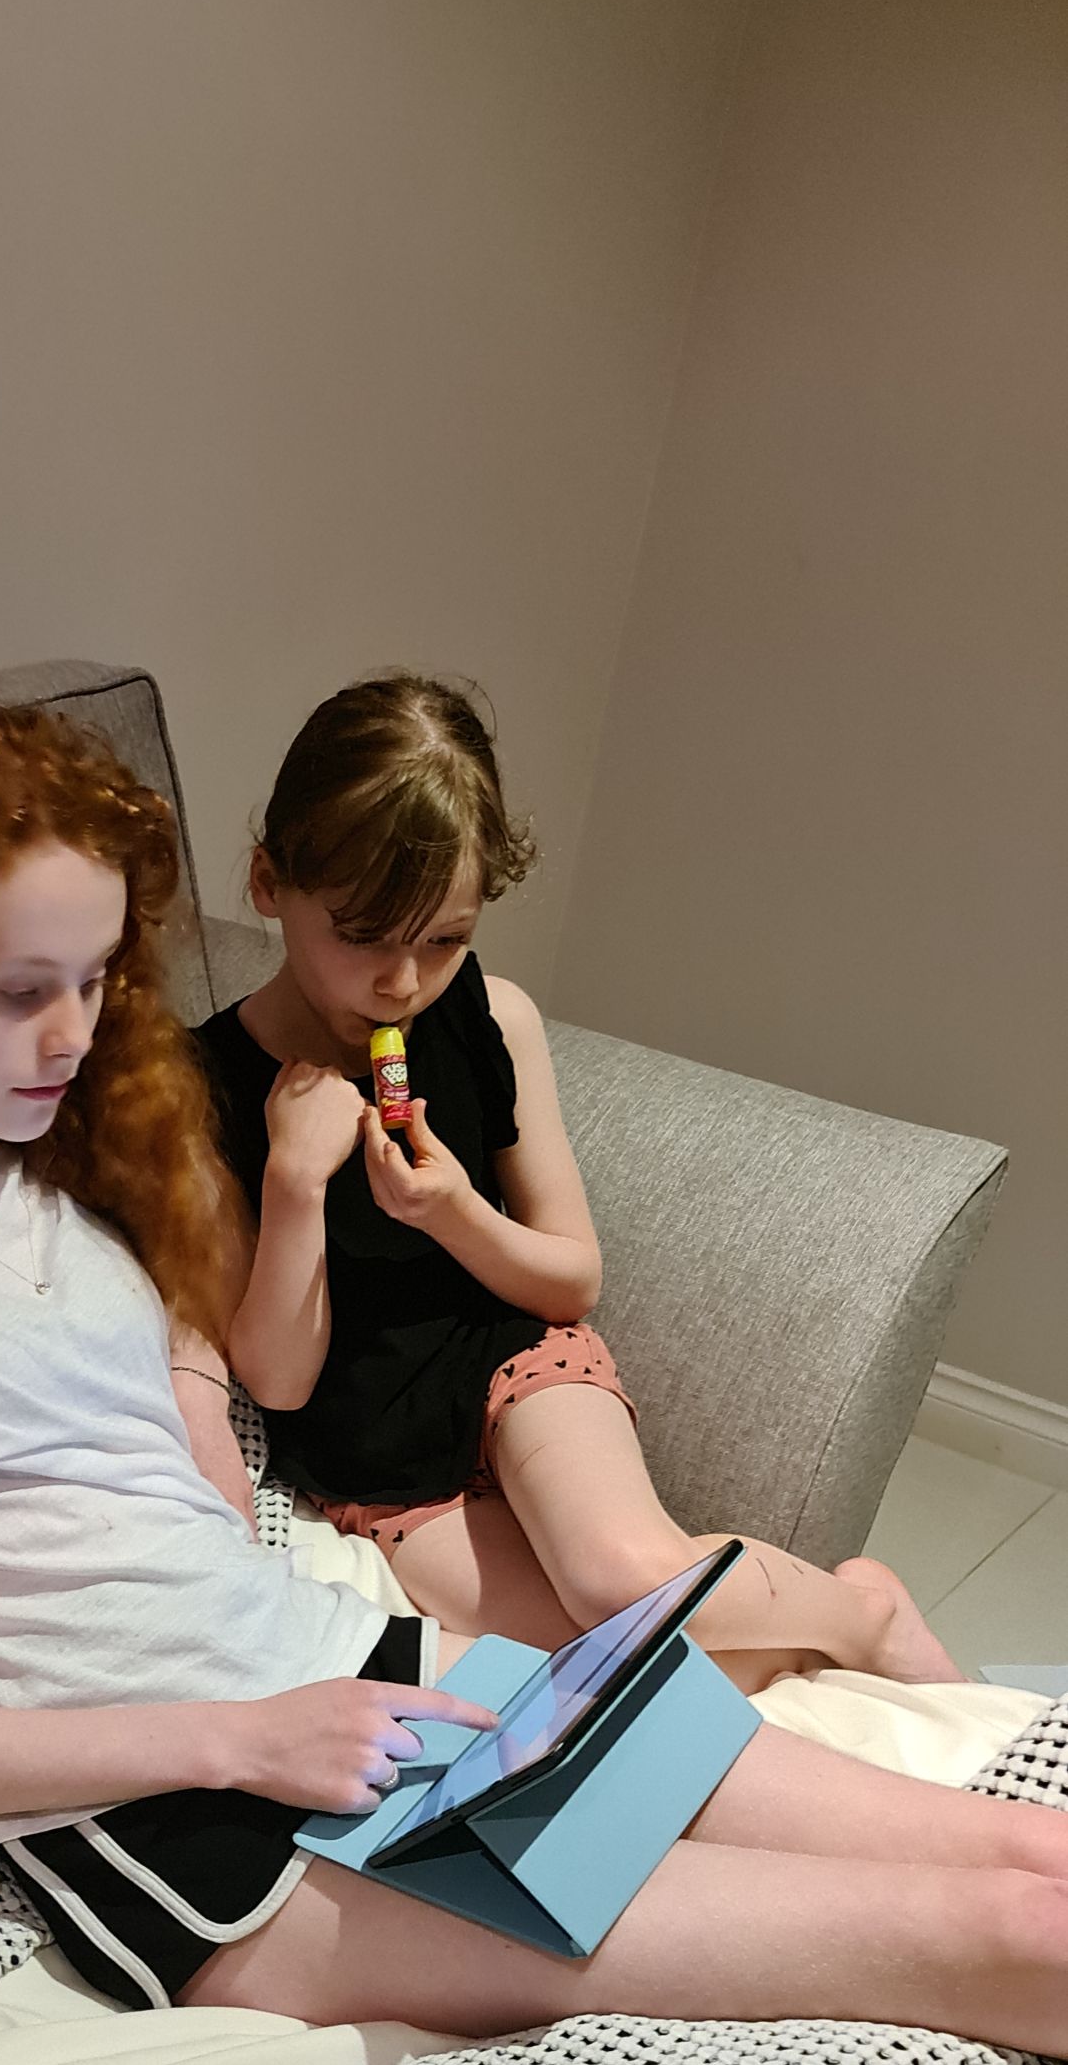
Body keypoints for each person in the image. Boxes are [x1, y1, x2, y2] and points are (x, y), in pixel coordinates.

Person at [0, 702, 1068, 2046]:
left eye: (94, 980)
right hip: (174, 1818)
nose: (72, 1035)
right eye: (21, 991)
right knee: (1001, 1936)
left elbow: (204, 1411)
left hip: (351, 1669)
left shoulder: (82, 1156)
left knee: (1018, 1854)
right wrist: (238, 1740)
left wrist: (224, 1475)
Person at [198, 671, 958, 1692]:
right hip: (372, 1462)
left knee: (618, 1582)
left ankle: (866, 1614)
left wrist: (455, 1214)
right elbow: (279, 1383)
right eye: (362, 934)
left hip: (515, 1366)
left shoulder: (492, 1020)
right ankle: (815, 1639)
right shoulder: (199, 1089)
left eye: (445, 939)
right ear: (267, 883)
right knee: (600, 1670)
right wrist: (294, 1180)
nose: (402, 982)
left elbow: (570, 1283)